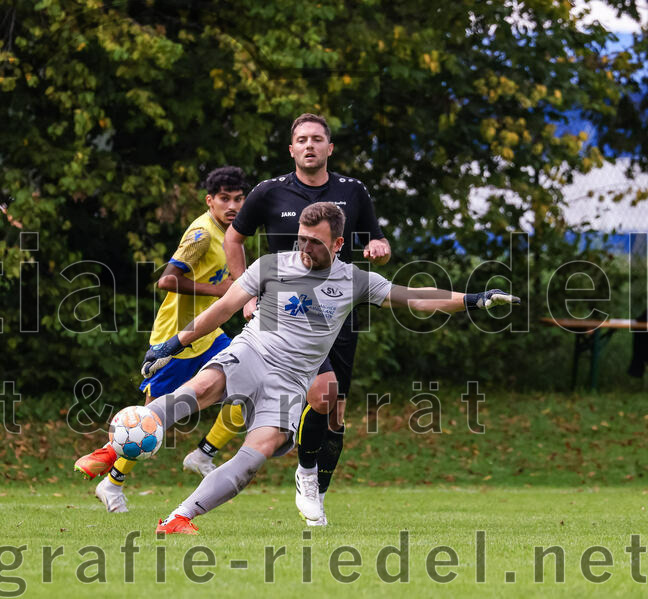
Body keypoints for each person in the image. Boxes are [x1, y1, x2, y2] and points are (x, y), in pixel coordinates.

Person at [76, 202, 518, 534]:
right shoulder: (271, 266)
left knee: (256, 457)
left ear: (339, 244)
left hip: (291, 381)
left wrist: (473, 300)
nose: (304, 248)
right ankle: (121, 442)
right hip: (254, 351)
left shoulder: (354, 280)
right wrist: (174, 343)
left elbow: (415, 297)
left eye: (315, 242)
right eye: (301, 239)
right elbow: (225, 308)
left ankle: (179, 517)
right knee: (204, 386)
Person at [185, 113, 391, 525]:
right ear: (292, 149)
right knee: (321, 391)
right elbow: (233, 237)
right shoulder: (269, 192)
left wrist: (379, 249)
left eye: (317, 139)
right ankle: (302, 472)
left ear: (329, 148)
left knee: (333, 412)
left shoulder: (353, 192)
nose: (310, 145)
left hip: (336, 313)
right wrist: (242, 293)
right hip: (285, 317)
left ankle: (309, 478)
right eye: (302, 139)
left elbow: (376, 238)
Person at [73, 166, 248, 512]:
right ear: (209, 201)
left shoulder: (233, 234)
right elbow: (166, 281)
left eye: (238, 199)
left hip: (209, 333)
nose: (232, 206)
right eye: (224, 199)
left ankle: (203, 454)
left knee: (250, 383)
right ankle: (112, 483)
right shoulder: (201, 234)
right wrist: (216, 290)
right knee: (149, 421)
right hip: (176, 338)